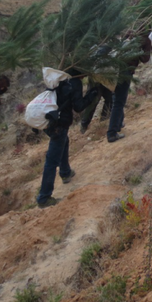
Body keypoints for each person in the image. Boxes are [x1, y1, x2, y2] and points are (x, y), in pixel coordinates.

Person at [37, 71, 98, 208]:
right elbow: (78, 106)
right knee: (51, 161)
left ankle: (65, 172)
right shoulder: (74, 83)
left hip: (49, 121)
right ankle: (44, 197)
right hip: (59, 124)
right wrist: (91, 95)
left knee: (64, 141)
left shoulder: (58, 78)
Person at [107, 33, 152, 143]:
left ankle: (118, 124)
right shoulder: (145, 37)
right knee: (119, 101)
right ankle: (112, 133)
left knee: (116, 97)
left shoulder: (128, 31)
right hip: (126, 70)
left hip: (114, 67)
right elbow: (145, 58)